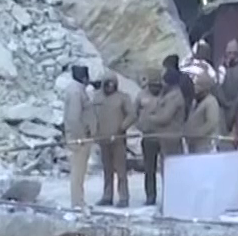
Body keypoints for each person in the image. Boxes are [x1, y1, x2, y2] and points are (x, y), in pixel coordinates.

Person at [136, 73, 184, 206]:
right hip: (148, 136)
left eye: (158, 85)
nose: (155, 88)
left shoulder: (167, 96)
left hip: (164, 137)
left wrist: (153, 118)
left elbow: (166, 116)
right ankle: (150, 196)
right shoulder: (141, 95)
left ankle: (169, 196)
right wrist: (141, 125)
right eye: (153, 85)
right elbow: (135, 113)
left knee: (166, 168)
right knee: (149, 169)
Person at [92, 73, 136, 208]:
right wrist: (94, 131)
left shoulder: (123, 98)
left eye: (112, 84)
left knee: (121, 170)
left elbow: (132, 114)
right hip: (103, 139)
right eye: (107, 84)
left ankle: (123, 197)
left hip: (118, 139)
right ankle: (107, 196)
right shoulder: (97, 98)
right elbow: (92, 115)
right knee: (107, 170)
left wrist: (122, 127)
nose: (110, 86)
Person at [61, 65, 95, 208]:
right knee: (78, 171)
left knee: (80, 170)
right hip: (79, 138)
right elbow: (74, 118)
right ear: (84, 78)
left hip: (79, 136)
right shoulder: (76, 92)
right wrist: (81, 136)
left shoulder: (75, 89)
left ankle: (79, 200)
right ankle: (77, 202)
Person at [184, 72, 223, 153]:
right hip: (194, 143)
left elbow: (211, 123)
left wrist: (197, 134)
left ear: (205, 87)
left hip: (207, 144)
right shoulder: (196, 101)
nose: (195, 87)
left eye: (198, 85)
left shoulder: (211, 102)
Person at [216, 39, 238, 119]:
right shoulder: (220, 66)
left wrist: (237, 101)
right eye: (229, 53)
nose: (232, 55)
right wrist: (224, 101)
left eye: (234, 53)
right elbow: (217, 85)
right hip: (222, 106)